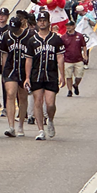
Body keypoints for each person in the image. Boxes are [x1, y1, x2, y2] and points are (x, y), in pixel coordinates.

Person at [23, 10, 65, 140]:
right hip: (36, 75)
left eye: (44, 20)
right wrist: (27, 77)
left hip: (51, 74)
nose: (42, 23)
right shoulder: (32, 40)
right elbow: (28, 59)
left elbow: (60, 57)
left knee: (50, 103)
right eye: (40, 20)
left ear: (48, 22)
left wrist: (62, 75)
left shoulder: (56, 39)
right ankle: (40, 129)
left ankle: (50, 120)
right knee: (38, 101)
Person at [0, 15, 34, 137]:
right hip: (10, 69)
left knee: (22, 97)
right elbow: (4, 54)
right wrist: (4, 72)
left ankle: (20, 125)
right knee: (10, 94)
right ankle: (11, 126)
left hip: (24, 70)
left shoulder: (29, 36)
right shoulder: (6, 36)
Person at [61, 27, 87, 97]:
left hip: (78, 59)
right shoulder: (63, 37)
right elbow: (60, 48)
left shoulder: (80, 36)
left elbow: (84, 46)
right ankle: (69, 90)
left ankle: (76, 84)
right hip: (67, 60)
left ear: (73, 26)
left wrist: (85, 55)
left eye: (70, 26)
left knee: (79, 75)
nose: (68, 28)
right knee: (68, 76)